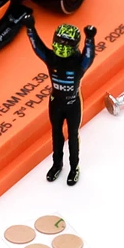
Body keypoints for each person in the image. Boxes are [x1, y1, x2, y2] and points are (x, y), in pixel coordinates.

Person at [24, 13, 97, 185]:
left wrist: (90, 39)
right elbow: (38, 48)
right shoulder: (52, 59)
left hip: (73, 104)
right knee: (56, 135)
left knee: (73, 136)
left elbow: (89, 57)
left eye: (66, 43)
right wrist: (30, 28)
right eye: (59, 41)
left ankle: (74, 168)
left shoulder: (79, 63)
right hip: (55, 103)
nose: (62, 45)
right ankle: (57, 165)